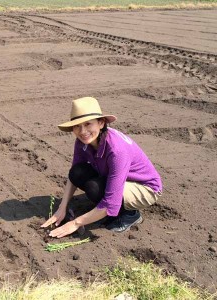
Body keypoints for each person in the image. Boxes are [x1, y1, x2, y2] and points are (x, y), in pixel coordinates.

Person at [41, 97, 162, 238]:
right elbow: (74, 174)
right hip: (118, 178)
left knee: (95, 189)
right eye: (77, 126)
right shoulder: (83, 141)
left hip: (145, 187)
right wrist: (62, 208)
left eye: (88, 124)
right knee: (77, 172)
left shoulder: (117, 150)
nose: (82, 131)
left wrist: (75, 223)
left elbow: (111, 202)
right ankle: (103, 206)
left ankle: (130, 214)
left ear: (101, 123)